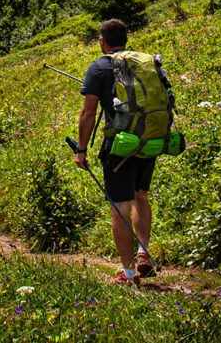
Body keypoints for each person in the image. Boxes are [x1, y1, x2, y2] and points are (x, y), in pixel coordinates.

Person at [74, 18, 161, 285]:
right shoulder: (144, 62)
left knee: (120, 206)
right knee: (141, 195)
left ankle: (130, 272)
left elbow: (88, 113)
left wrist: (82, 149)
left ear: (102, 41)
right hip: (150, 140)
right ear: (126, 38)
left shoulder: (99, 67)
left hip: (119, 146)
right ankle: (143, 252)